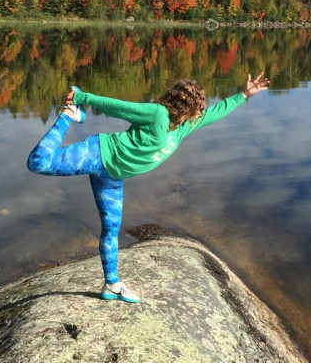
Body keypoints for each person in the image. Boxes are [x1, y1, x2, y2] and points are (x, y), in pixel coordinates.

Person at [27, 73, 269, 303]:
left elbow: (216, 112)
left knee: (111, 228)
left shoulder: (184, 127)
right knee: (38, 163)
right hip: (98, 153)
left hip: (112, 175)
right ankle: (69, 115)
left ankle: (111, 284)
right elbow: (118, 107)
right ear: (187, 107)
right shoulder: (157, 114)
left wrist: (245, 95)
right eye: (198, 107)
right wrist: (81, 99)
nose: (201, 112)